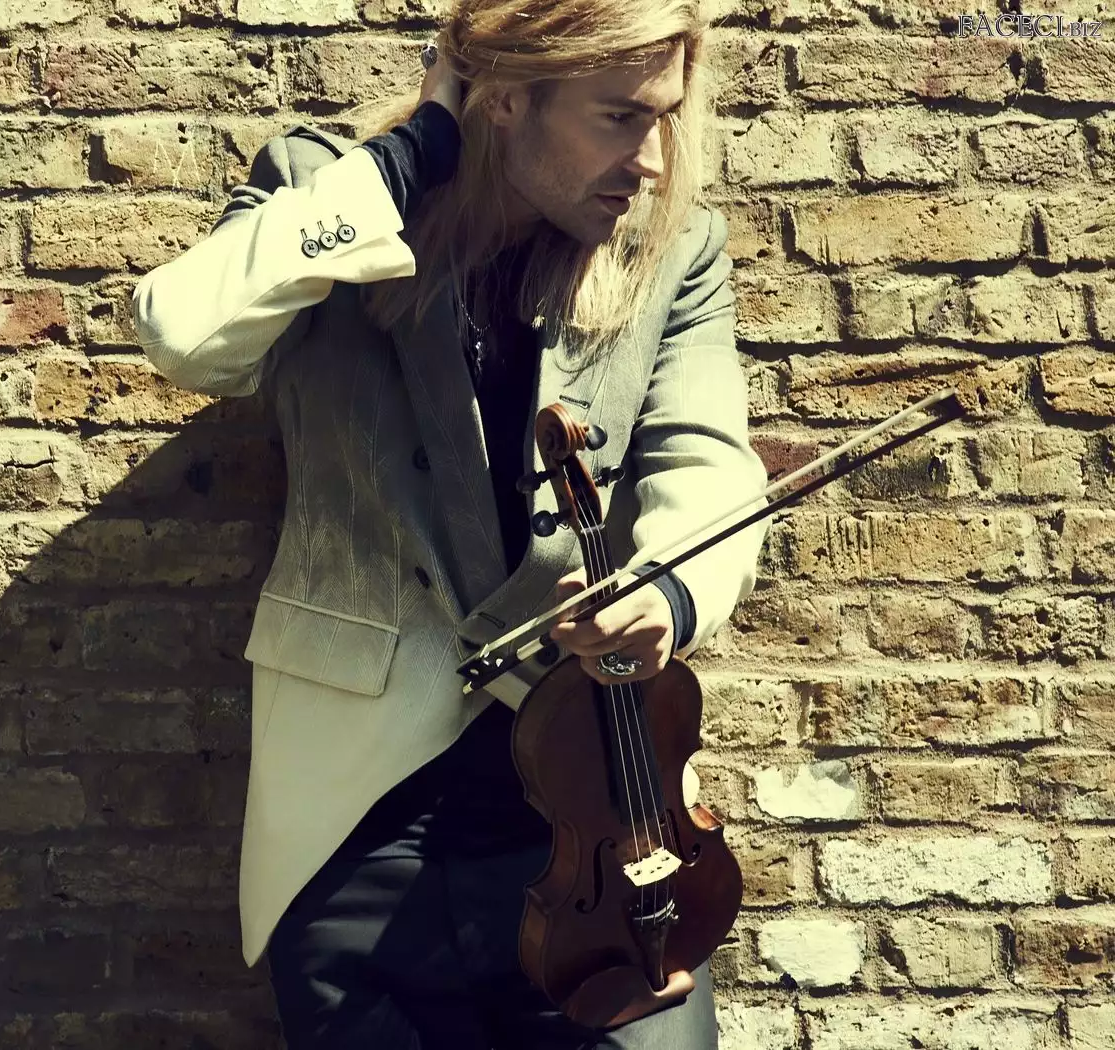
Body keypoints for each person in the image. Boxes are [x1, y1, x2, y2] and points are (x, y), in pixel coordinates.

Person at [131, 0, 770, 1045]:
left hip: (601, 816)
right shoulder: (325, 192)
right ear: (507, 99)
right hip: (357, 830)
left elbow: (707, 461)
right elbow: (183, 335)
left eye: (665, 117)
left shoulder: (675, 248)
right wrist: (413, 153)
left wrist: (667, 594)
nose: (655, 160)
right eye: (620, 117)